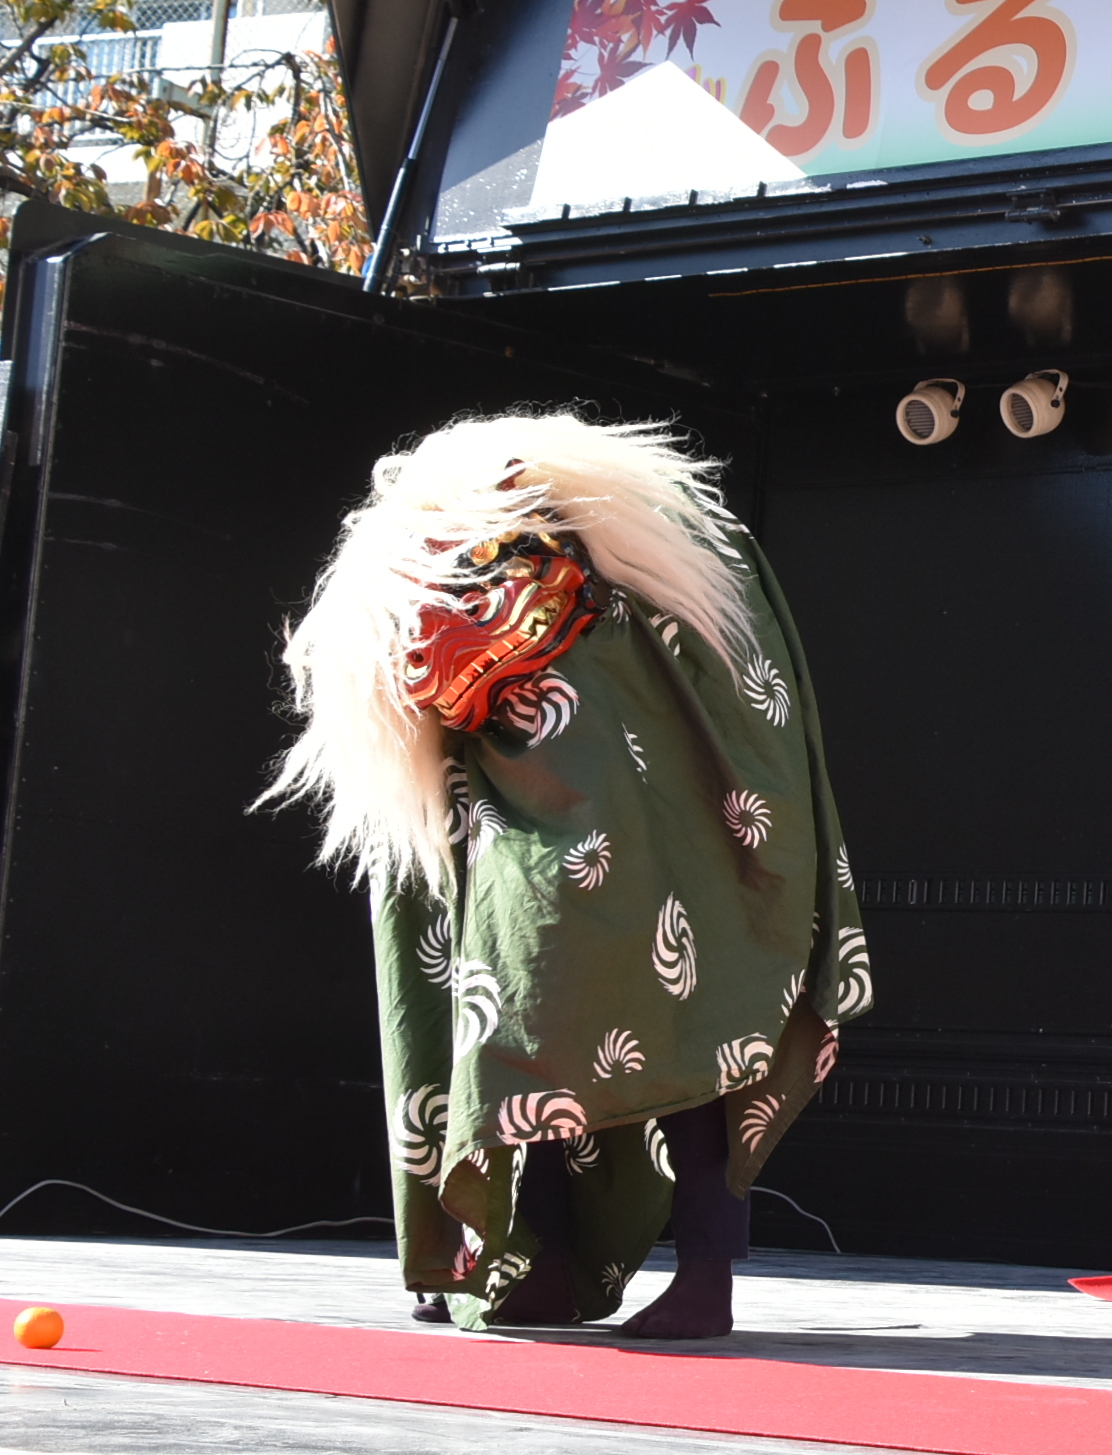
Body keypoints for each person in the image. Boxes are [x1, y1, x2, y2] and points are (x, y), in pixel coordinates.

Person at [266, 415, 873, 1338]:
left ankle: (703, 1274)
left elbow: (744, 694)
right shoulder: (477, 556)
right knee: (533, 1022)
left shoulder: (656, 564)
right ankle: (544, 1257)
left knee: (683, 1021)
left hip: (652, 813)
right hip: (540, 811)